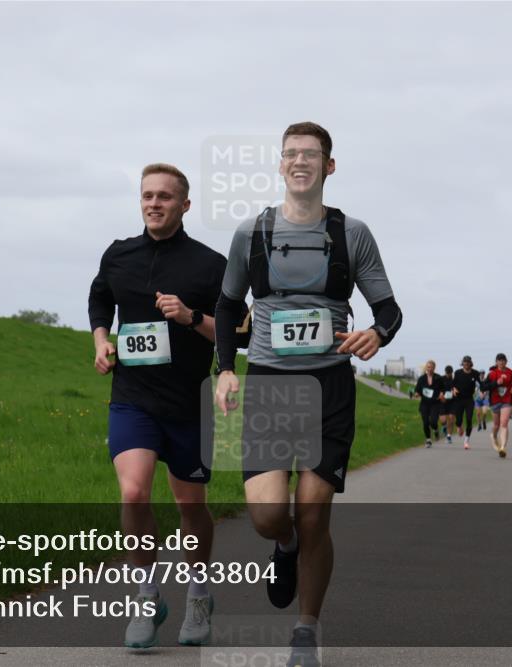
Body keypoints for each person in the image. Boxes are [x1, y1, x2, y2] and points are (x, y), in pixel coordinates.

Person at [214, 122, 402, 667]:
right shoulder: (251, 233)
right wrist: (225, 370)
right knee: (268, 514)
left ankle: (306, 629)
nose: (300, 161)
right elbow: (227, 306)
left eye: (311, 154)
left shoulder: (352, 233)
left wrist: (377, 334)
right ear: (280, 165)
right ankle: (285, 545)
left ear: (329, 166)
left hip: (330, 387)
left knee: (315, 514)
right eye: (291, 154)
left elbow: (389, 309)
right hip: (270, 385)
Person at [88, 163, 227, 648]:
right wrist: (101, 340)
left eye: (165, 197)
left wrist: (190, 317)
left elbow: (238, 332)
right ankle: (147, 597)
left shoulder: (211, 264)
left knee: (190, 505)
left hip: (189, 402)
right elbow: (100, 300)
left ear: (184, 205)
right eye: (147, 195)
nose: (154, 203)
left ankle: (199, 595)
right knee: (133, 494)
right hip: (133, 398)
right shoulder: (118, 254)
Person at [483, 353, 512, 458]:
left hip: (506, 400)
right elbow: (483, 387)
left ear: (506, 362)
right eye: (499, 360)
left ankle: (503, 447)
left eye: (503, 360)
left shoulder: (511, 373)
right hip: (495, 401)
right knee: (496, 425)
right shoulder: (492, 374)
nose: (502, 362)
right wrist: (496, 383)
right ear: (496, 362)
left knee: (504, 423)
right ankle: (493, 436)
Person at [451, 355, 481, 449]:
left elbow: (481, 384)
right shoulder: (458, 372)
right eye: (465, 362)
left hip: (469, 399)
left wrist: (483, 391)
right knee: (459, 420)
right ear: (462, 363)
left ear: (470, 363)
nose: (466, 363)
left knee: (469, 419)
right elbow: (453, 384)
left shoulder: (475, 373)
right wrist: (453, 389)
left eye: (468, 362)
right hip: (459, 399)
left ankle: (466, 441)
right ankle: (459, 426)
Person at [413, 360, 444, 448]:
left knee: (433, 422)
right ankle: (428, 440)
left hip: (435, 403)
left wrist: (441, 393)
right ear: (426, 368)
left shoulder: (438, 378)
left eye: (431, 367)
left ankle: (436, 430)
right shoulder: (422, 379)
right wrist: (417, 394)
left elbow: (443, 388)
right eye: (428, 367)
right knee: (425, 422)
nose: (429, 369)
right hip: (424, 403)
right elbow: (417, 390)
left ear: (434, 368)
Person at [439, 365, 456, 444]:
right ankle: (444, 426)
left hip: (452, 402)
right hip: (443, 401)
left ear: (452, 372)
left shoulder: (454, 380)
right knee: (443, 420)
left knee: (451, 418)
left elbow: (457, 389)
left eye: (450, 373)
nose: (448, 374)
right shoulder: (441, 379)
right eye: (447, 373)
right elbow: (437, 389)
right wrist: (441, 395)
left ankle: (449, 436)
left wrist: (454, 391)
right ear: (445, 372)